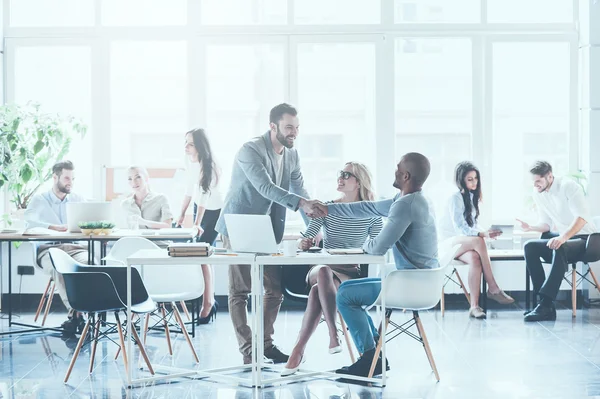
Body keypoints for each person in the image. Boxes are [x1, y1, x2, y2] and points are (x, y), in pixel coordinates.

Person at [310, 152, 438, 378]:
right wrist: (329, 209)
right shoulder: (412, 200)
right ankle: (373, 355)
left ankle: (370, 357)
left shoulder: (405, 205)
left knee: (347, 295)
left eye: (398, 168)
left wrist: (367, 243)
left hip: (411, 285)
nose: (395, 171)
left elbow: (377, 247)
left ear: (406, 175)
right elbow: (367, 208)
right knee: (350, 292)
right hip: (418, 282)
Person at [215, 103, 321, 365]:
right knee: (240, 290)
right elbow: (266, 188)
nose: (294, 133)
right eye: (289, 127)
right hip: (239, 225)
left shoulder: (292, 155)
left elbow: (300, 190)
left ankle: (265, 346)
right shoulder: (250, 150)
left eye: (297, 128)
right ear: (273, 126)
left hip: (268, 227)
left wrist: (316, 226)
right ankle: (249, 351)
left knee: (273, 290)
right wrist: (301, 204)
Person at [282, 162, 383, 376]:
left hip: (348, 272)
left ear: (359, 183)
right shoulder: (327, 208)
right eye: (341, 174)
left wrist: (366, 249)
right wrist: (304, 243)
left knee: (317, 291)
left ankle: (298, 351)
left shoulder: (371, 212)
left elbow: (379, 245)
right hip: (321, 266)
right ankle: (332, 333)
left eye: (347, 175)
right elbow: (307, 236)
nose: (341, 178)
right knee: (324, 273)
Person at [517, 161, 597, 322]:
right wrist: (530, 227)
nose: (535, 185)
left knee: (560, 246)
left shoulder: (569, 187)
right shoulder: (538, 194)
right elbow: (546, 224)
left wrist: (562, 237)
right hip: (565, 240)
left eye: (538, 181)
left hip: (587, 240)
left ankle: (545, 305)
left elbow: (581, 218)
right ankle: (545, 305)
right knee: (530, 247)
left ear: (550, 176)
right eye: (533, 182)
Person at [438, 161, 514, 319]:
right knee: (479, 241)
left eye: (475, 178)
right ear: (461, 181)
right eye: (469, 179)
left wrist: (484, 232)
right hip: (448, 243)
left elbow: (472, 225)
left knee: (475, 258)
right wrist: (482, 235)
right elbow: (460, 228)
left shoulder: (472, 197)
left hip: (461, 244)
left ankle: (474, 306)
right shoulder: (455, 198)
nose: (474, 182)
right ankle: (493, 288)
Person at [24, 160, 90, 334]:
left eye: (73, 178)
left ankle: (78, 314)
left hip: (76, 248)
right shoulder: (40, 199)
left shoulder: (78, 199)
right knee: (61, 268)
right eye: (67, 178)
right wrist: (52, 227)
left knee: (90, 265)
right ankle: (77, 312)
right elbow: (28, 221)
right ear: (55, 177)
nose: (71, 182)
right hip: (49, 249)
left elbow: (89, 220)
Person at [176, 128, 224, 324]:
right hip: (200, 209)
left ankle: (208, 304)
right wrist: (181, 216)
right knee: (205, 257)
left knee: (202, 255)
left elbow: (204, 195)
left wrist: (197, 224)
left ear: (200, 146)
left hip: (213, 212)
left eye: (190, 143)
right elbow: (190, 192)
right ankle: (209, 301)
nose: (186, 147)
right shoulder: (192, 164)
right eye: (185, 142)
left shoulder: (209, 166)